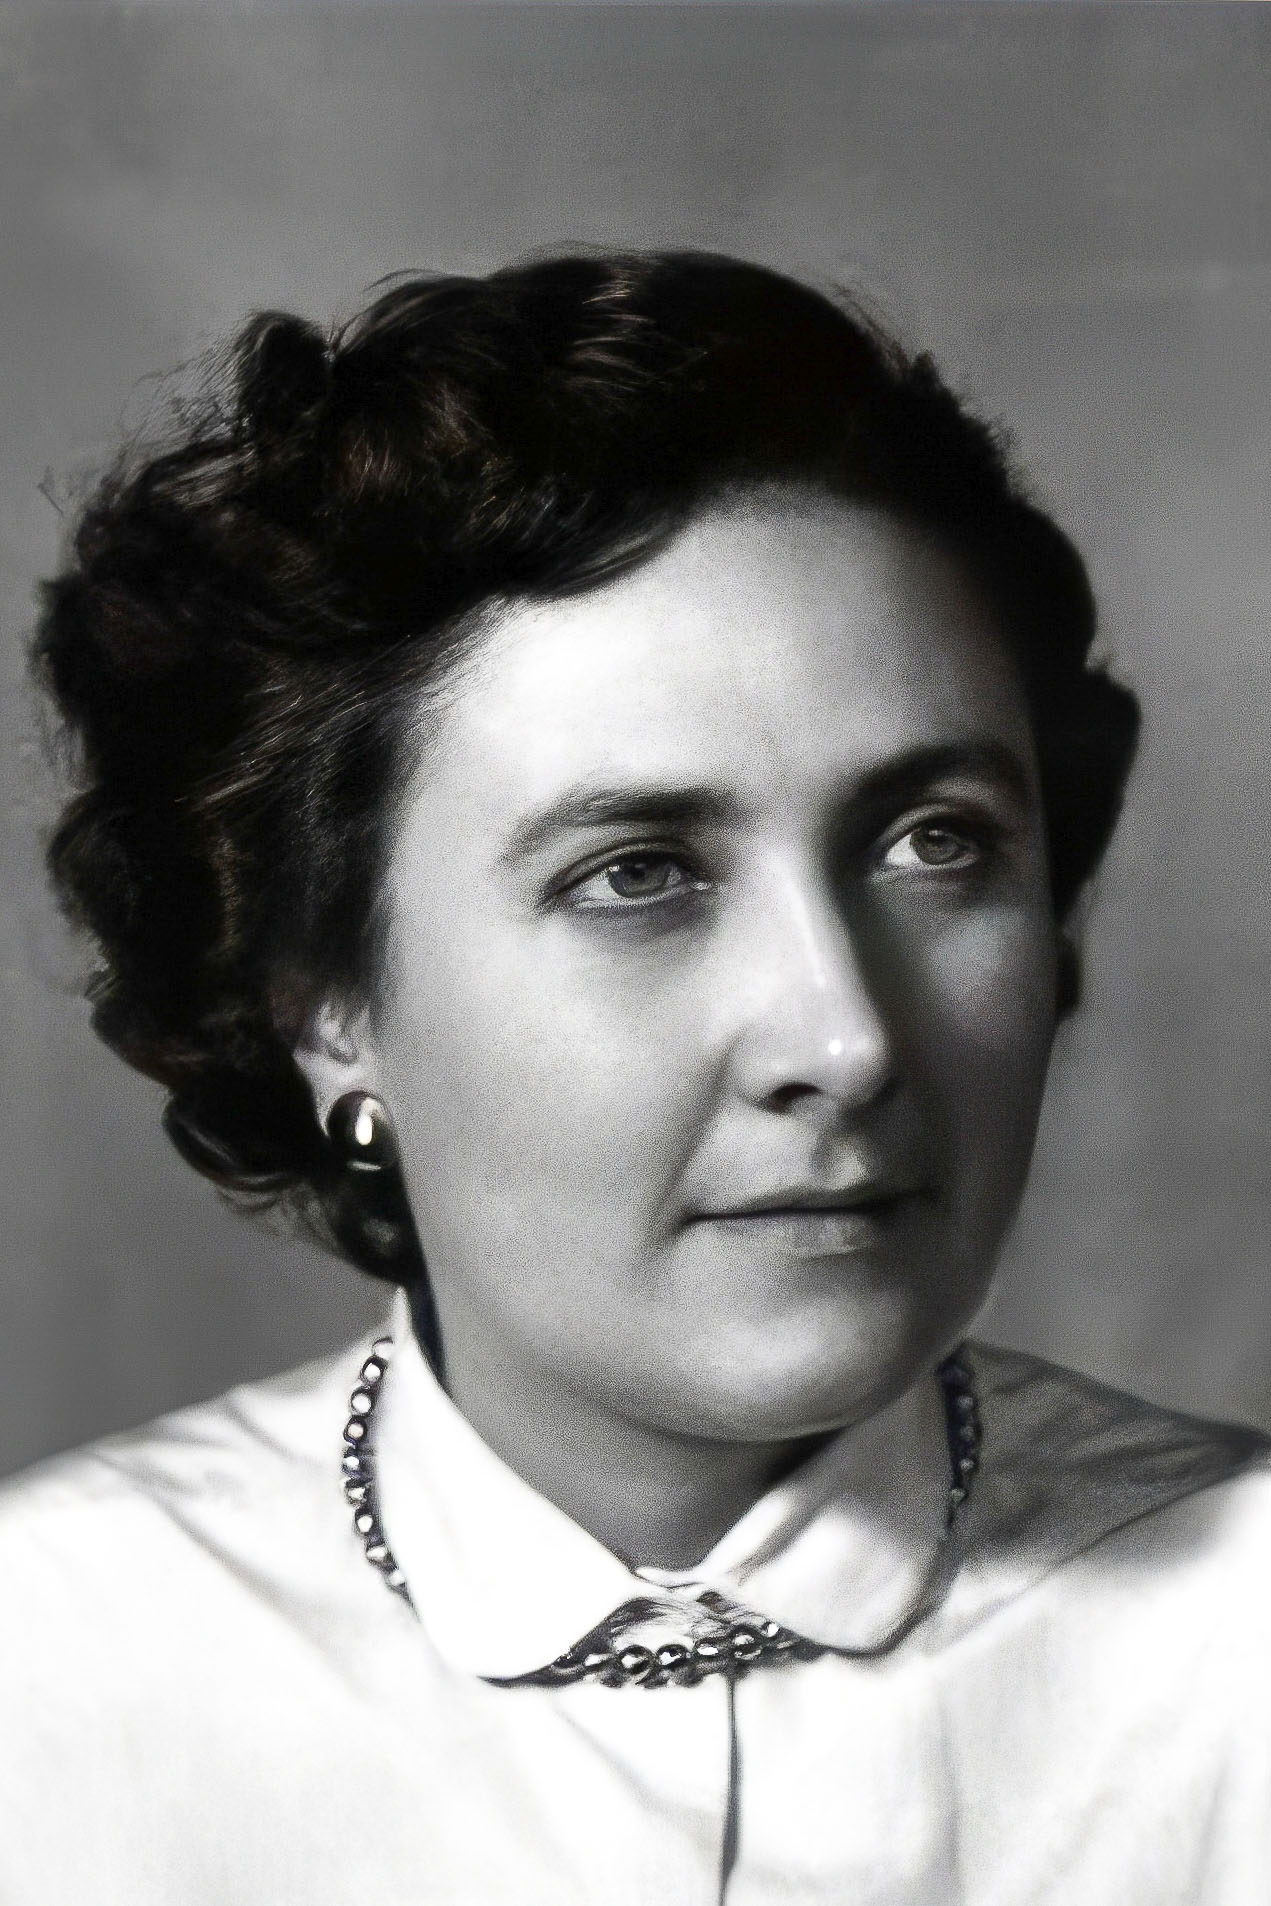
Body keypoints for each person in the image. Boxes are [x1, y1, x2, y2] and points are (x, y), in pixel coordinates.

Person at [2, 249, 1267, 1905]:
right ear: (325, 1004)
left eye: (933, 841)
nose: (847, 1039)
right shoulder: (48, 1676)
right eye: (638, 873)